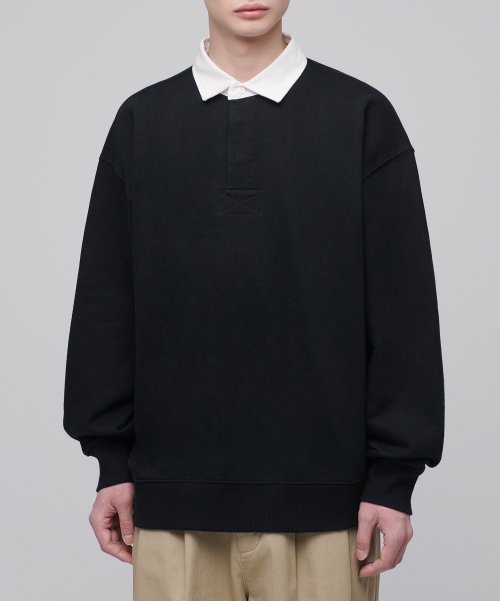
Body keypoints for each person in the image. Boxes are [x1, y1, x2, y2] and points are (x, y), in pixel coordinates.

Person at [63, 1, 445, 599]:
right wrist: (111, 462)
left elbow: (405, 311)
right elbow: (105, 304)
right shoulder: (143, 121)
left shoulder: (361, 117)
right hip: (170, 503)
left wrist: (394, 481)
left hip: (329, 512)